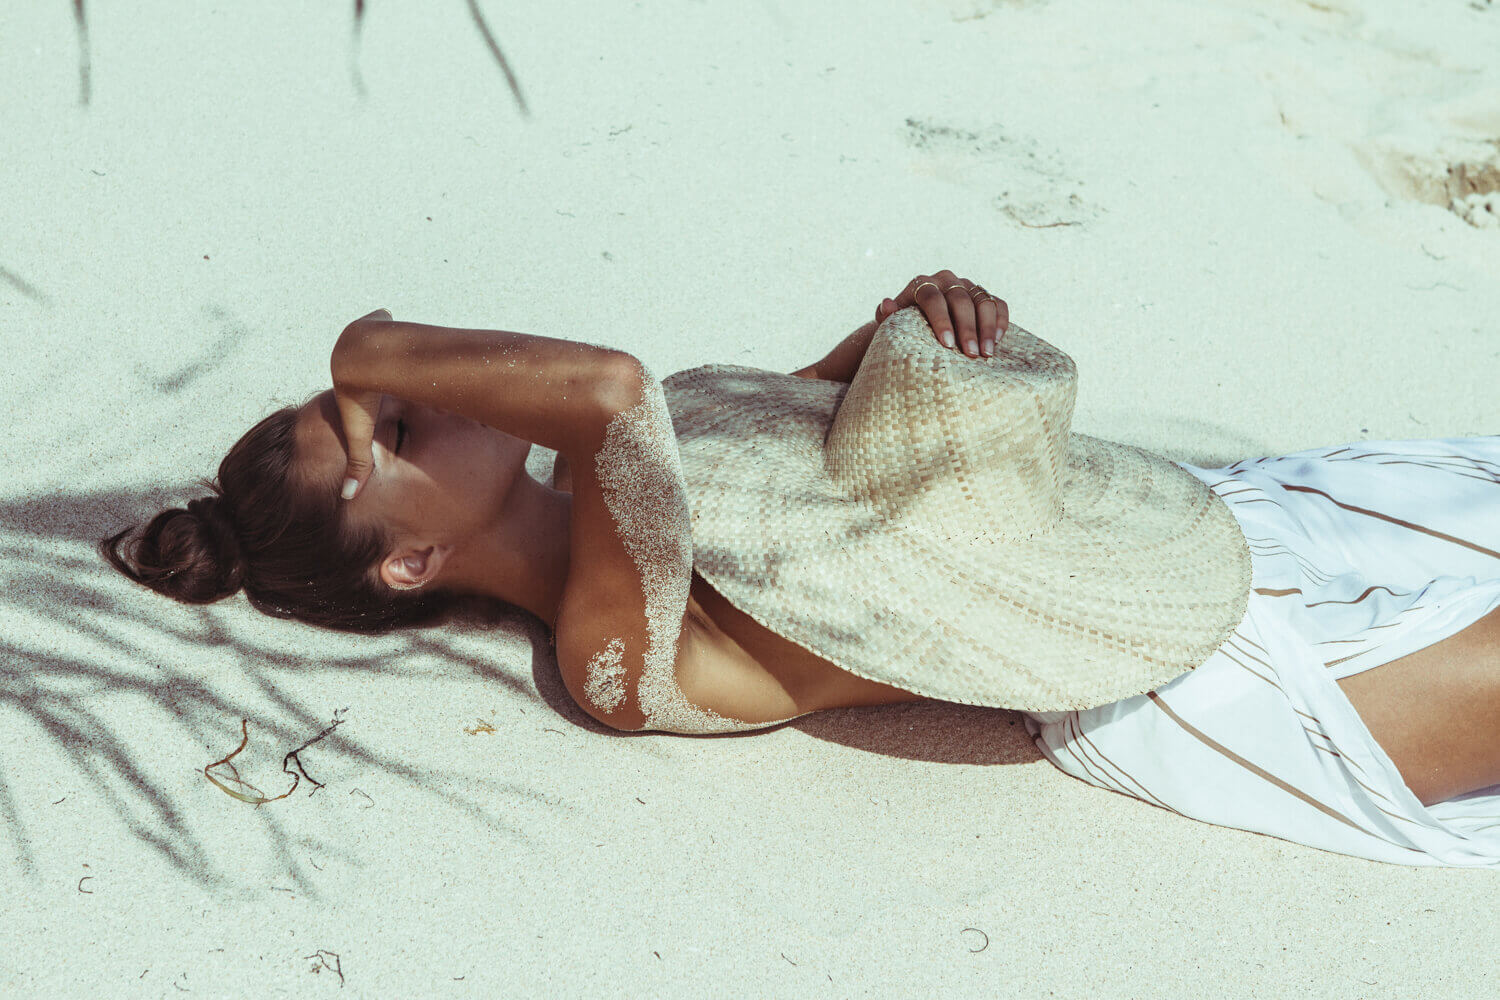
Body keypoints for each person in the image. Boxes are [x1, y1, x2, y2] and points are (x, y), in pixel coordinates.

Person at [101, 272, 1500, 869]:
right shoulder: (609, 658)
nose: (435, 393)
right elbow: (602, 389)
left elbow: (834, 431)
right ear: (412, 560)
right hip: (1174, 683)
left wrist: (916, 322)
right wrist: (355, 362)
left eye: (392, 394)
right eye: (397, 428)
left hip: (1180, 529)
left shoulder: (664, 436)